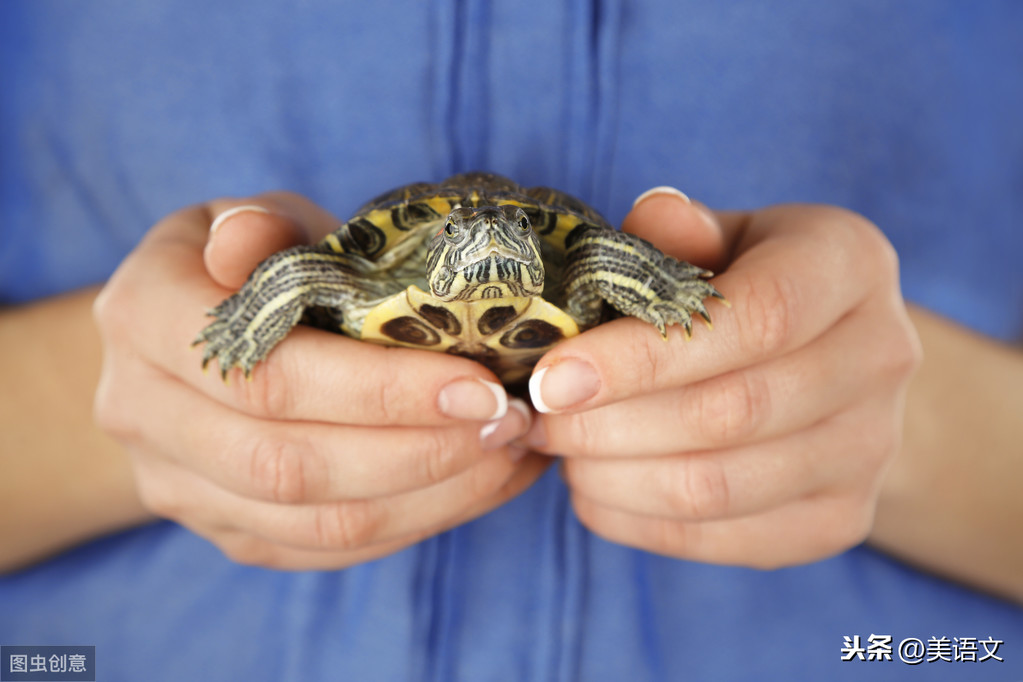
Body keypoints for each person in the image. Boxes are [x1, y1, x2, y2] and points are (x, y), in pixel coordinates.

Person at [2, 1, 1021, 679]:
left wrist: (869, 410)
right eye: (464, 234)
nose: (486, 238)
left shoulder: (579, 271)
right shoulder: (365, 275)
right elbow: (297, 281)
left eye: (502, 233)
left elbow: (661, 291)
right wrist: (153, 400)